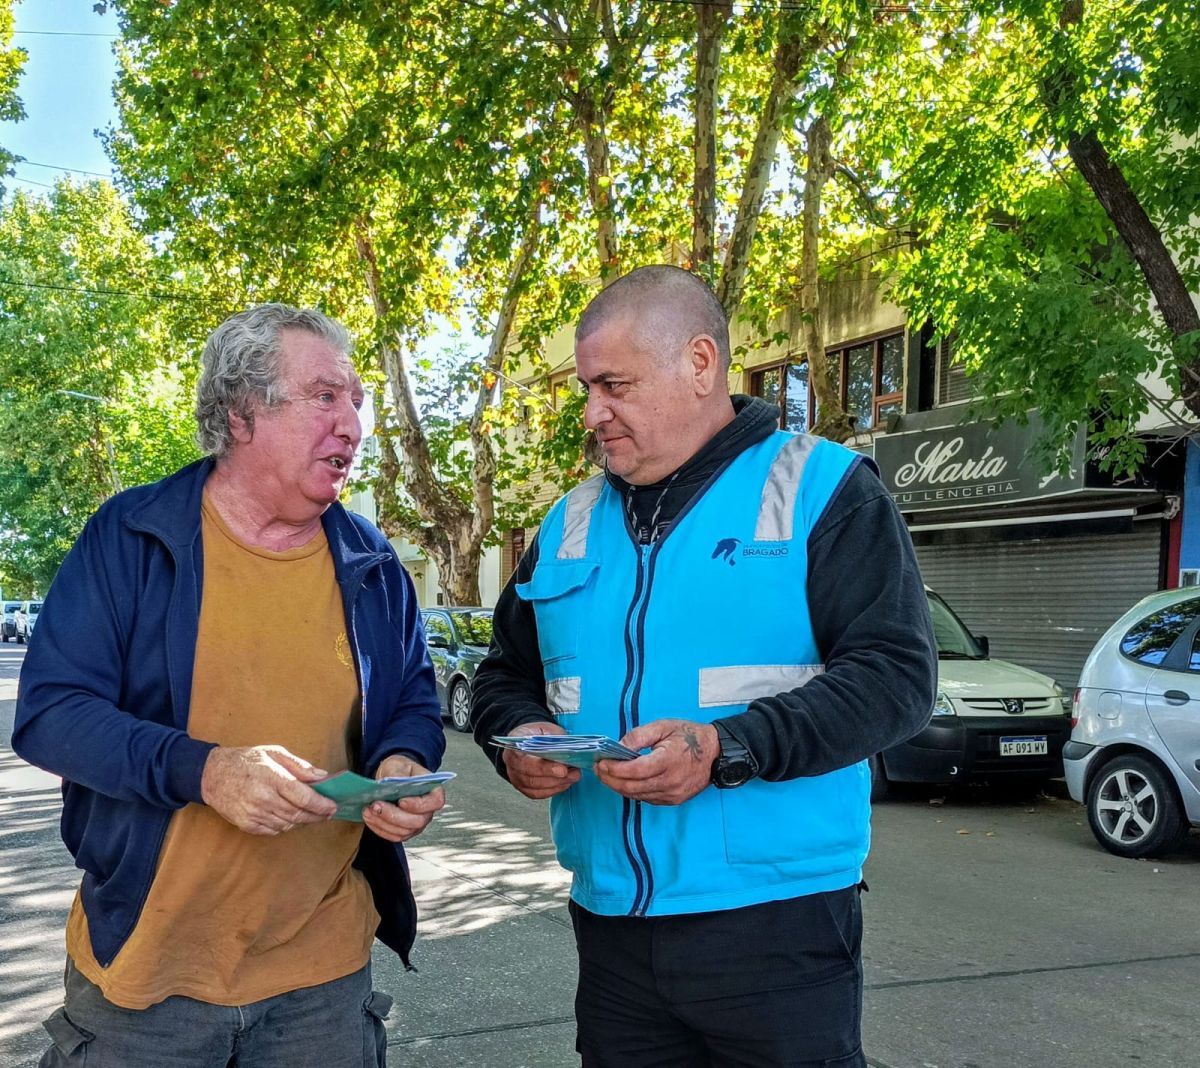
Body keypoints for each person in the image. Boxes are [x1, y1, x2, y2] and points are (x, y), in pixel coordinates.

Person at [472, 265, 937, 1067]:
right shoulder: (569, 518)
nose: (593, 413)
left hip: (776, 927)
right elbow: (500, 674)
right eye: (587, 388)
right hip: (612, 928)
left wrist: (727, 747)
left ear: (699, 363)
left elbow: (897, 678)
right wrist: (515, 736)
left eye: (613, 385)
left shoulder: (823, 488)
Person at [14, 304, 446, 1067]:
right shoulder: (131, 536)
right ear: (242, 414)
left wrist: (402, 762)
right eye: (324, 396)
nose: (352, 424)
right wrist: (206, 770)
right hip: (148, 981)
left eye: (357, 400)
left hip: (323, 980)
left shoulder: (370, 561)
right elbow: (51, 715)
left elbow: (412, 693)